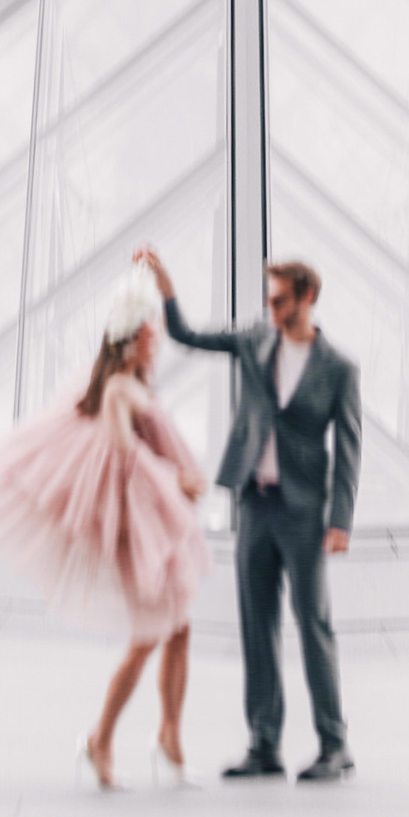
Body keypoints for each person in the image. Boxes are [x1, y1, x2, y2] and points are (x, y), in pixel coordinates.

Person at [0, 265, 208, 789]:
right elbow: (124, 454)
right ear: (132, 341)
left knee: (177, 630)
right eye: (150, 339)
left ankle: (168, 739)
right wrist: (175, 482)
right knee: (150, 636)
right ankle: (102, 741)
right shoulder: (117, 389)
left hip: (151, 527)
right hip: (140, 532)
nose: (156, 348)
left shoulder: (127, 384)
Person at [138, 246, 361, 785]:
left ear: (308, 298)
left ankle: (335, 746)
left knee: (314, 626)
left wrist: (340, 520)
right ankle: (264, 743)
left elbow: (350, 447)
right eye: (269, 297)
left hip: (305, 513)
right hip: (255, 506)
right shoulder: (253, 340)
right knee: (257, 627)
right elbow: (189, 336)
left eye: (280, 299)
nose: (271, 307)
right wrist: (166, 289)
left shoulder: (339, 368)